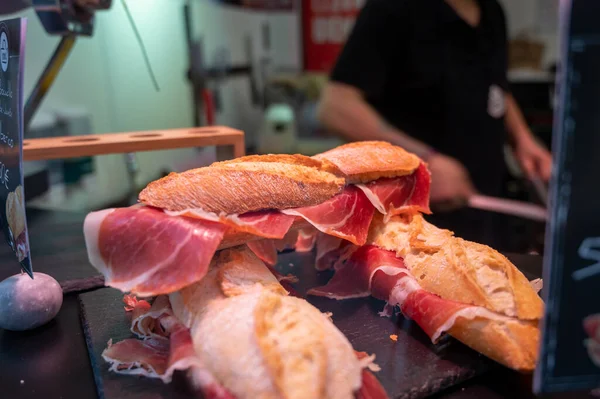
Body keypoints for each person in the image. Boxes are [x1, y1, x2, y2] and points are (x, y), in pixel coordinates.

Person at [317, 0, 552, 245]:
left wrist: (522, 138)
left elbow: (494, 85)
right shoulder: (391, 8)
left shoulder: (491, 10)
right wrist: (425, 159)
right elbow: (335, 107)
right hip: (411, 221)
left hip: (484, 205)